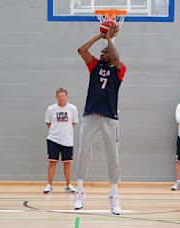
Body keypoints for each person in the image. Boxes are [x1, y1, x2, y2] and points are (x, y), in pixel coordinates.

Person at [74, 24, 126, 215]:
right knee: (84, 152)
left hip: (110, 118)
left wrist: (110, 40)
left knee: (113, 156)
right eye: (103, 51)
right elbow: (81, 50)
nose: (102, 53)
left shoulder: (120, 69)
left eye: (106, 51)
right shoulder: (95, 65)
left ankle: (114, 195)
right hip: (91, 115)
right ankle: (79, 190)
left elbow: (117, 58)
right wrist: (100, 36)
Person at [44, 88, 78, 194]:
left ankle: (68, 185)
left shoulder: (72, 108)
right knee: (52, 162)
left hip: (67, 140)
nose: (61, 98)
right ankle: (49, 185)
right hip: (53, 139)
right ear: (56, 97)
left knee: (67, 163)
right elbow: (48, 123)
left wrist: (65, 131)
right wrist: (57, 131)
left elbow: (74, 122)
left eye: (63, 96)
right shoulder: (51, 109)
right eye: (59, 96)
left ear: (66, 97)